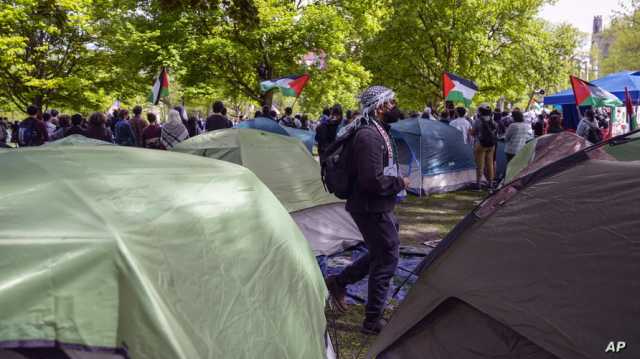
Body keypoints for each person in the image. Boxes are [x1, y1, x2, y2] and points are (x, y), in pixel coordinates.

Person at [325, 85, 409, 335]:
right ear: (381, 107)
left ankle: (339, 282)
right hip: (370, 207)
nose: (396, 107)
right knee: (388, 257)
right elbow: (371, 180)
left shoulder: (378, 131)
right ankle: (373, 320)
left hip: (378, 204)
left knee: (381, 252)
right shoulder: (369, 136)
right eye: (393, 102)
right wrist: (400, 183)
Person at [470, 104, 498, 190]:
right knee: (490, 164)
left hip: (480, 145)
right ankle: (490, 184)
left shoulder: (478, 121)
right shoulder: (493, 122)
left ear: (480, 112)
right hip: (491, 145)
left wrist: (470, 131)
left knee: (480, 165)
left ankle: (478, 185)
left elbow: (473, 133)